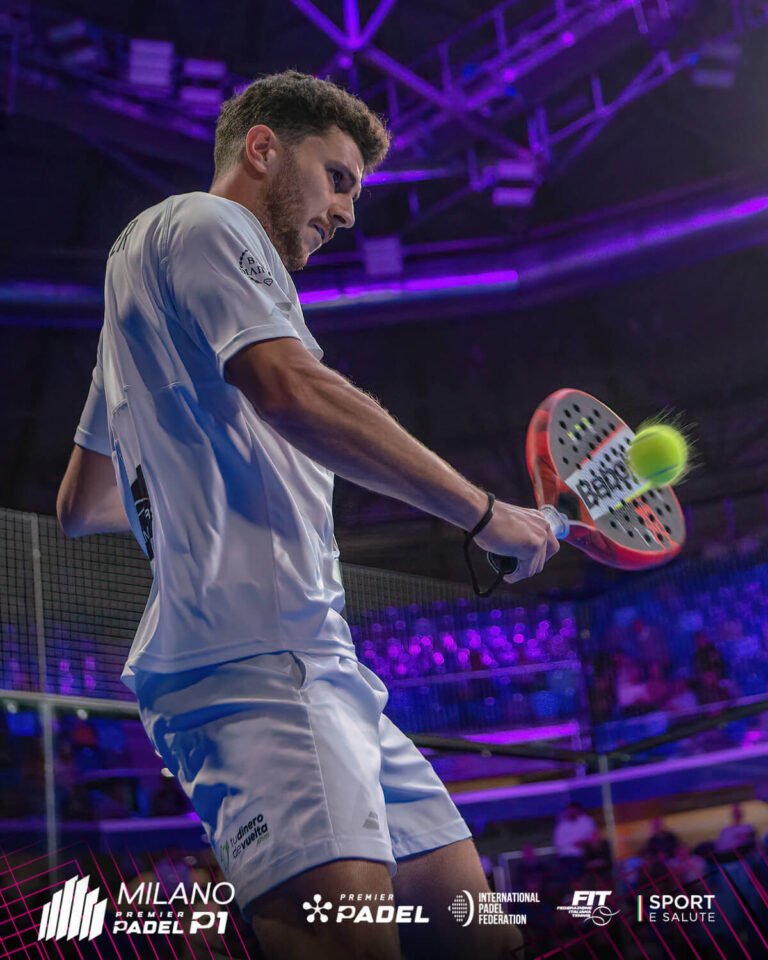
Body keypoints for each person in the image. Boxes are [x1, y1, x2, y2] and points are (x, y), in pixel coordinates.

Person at [56, 71, 558, 960]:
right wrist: (488, 515)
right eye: (338, 179)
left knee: (480, 941)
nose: (347, 212)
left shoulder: (134, 309)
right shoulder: (206, 223)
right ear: (263, 150)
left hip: (321, 668)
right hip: (259, 673)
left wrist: (187, 493)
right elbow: (291, 390)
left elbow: (81, 503)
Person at [553, 801, 598, 882]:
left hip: (581, 855)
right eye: (569, 811)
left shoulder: (587, 821)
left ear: (578, 810)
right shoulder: (562, 825)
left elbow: (593, 837)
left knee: (579, 879)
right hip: (564, 856)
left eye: (573, 811)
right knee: (567, 880)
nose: (571, 813)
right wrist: (573, 842)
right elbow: (557, 843)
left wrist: (583, 842)